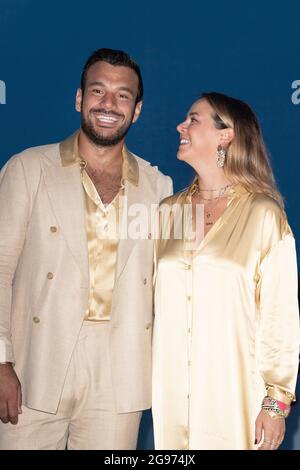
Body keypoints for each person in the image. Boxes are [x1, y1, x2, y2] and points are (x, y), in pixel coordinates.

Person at [0, 48, 173, 450]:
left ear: (138, 109)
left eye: (122, 95)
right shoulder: (28, 169)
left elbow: (183, 277)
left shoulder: (159, 187)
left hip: (120, 371)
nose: (109, 104)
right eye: (98, 91)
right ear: (80, 99)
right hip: (34, 363)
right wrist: (1, 361)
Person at [152, 92, 299, 450]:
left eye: (193, 119)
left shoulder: (264, 215)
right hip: (171, 397)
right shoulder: (166, 213)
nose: (180, 126)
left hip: (235, 400)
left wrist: (276, 404)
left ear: (226, 135)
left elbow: (280, 318)